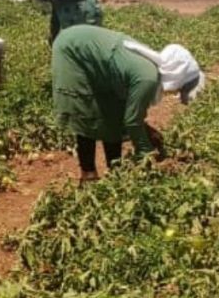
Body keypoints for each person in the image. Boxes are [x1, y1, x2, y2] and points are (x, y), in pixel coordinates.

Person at [51, 25, 204, 182]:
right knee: (87, 112)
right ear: (179, 77)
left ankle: (115, 171)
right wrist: (146, 153)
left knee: (113, 112)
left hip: (90, 52)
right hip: (73, 50)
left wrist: (147, 131)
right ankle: (89, 175)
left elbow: (126, 112)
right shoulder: (147, 79)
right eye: (180, 89)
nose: (176, 92)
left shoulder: (150, 69)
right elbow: (132, 121)